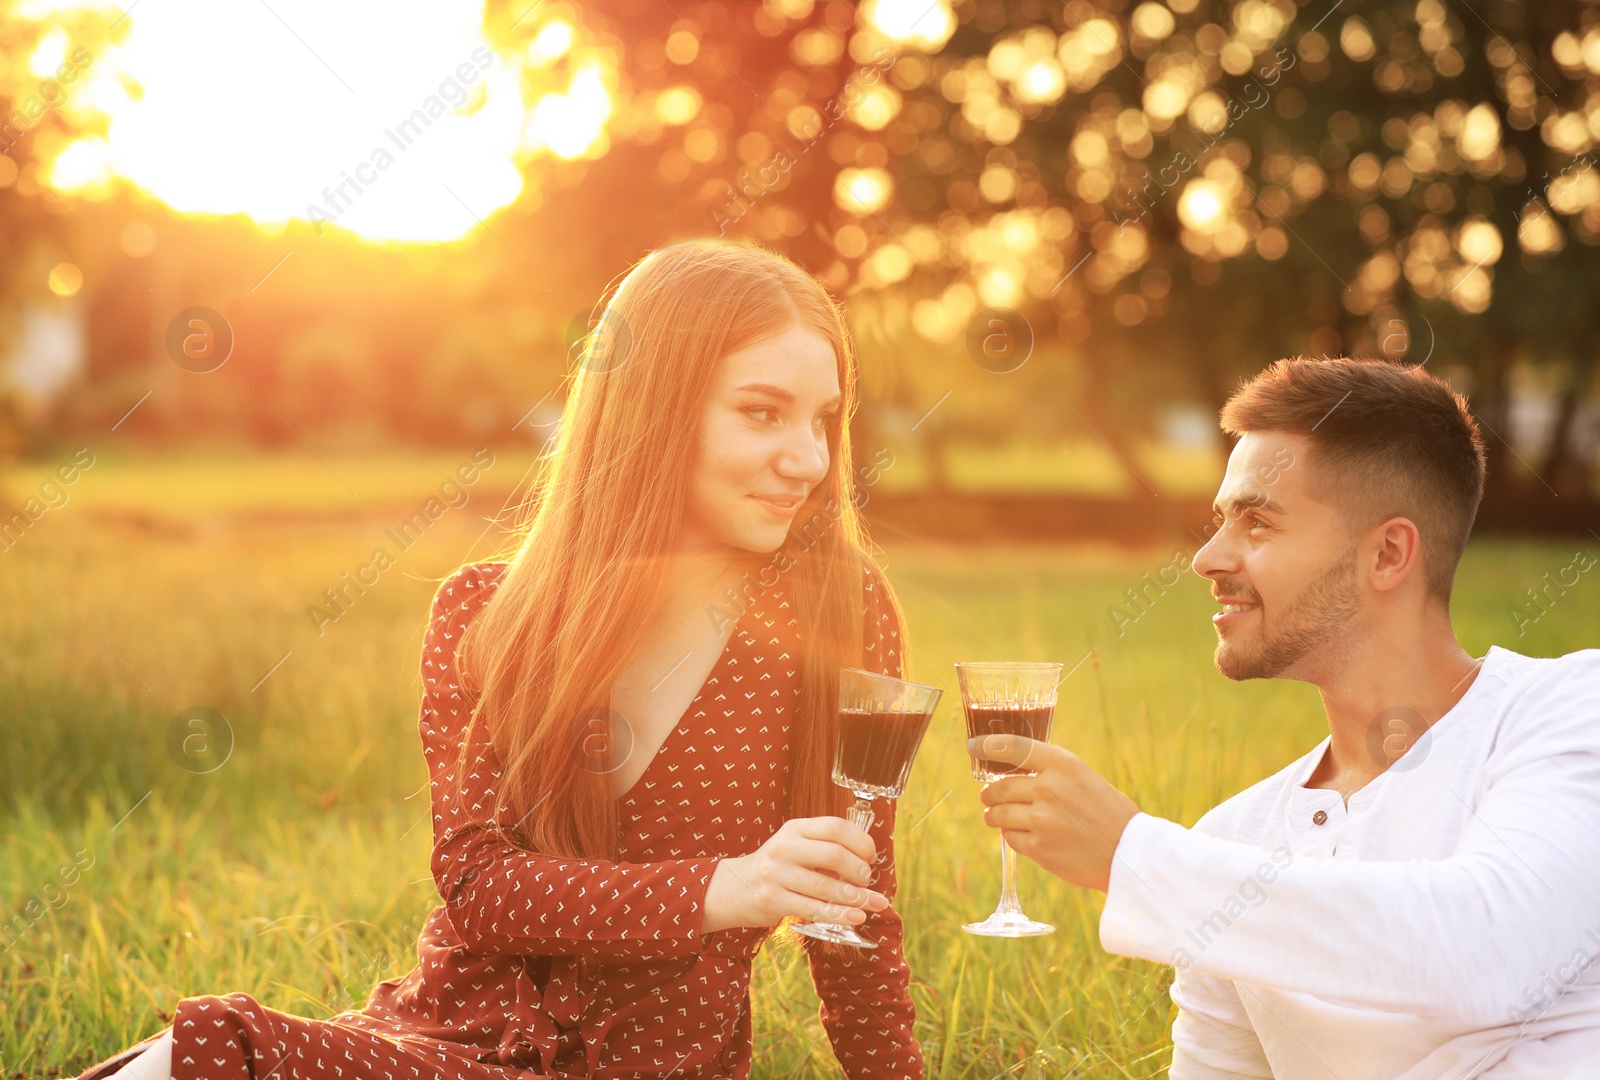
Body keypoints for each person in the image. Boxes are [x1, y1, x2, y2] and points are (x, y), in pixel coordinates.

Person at [80, 239, 924, 1080]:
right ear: (654, 408)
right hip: (439, 1049)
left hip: (650, 1067)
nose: (809, 461)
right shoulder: (488, 615)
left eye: (822, 420)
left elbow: (858, 923)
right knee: (199, 1056)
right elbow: (483, 890)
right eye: (762, 411)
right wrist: (725, 888)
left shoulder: (842, 614)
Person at [972, 356, 1600, 1079]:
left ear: (1388, 553)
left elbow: (1487, 950)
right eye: (1219, 522)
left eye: (1258, 523)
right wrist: (1156, 864)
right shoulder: (1233, 841)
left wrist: (1131, 856)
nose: (1208, 557)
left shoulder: (1567, 712)